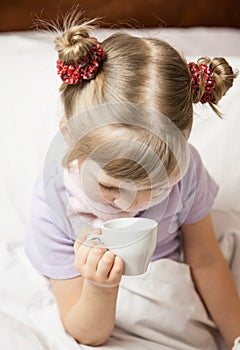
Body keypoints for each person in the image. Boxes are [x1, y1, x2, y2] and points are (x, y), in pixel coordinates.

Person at [24, 18, 240, 349]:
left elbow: (206, 260)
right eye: (110, 187)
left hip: (174, 300)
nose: (130, 205)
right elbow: (85, 332)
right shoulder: (56, 204)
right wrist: (101, 287)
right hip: (96, 311)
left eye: (157, 186)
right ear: (69, 135)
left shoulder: (188, 169)